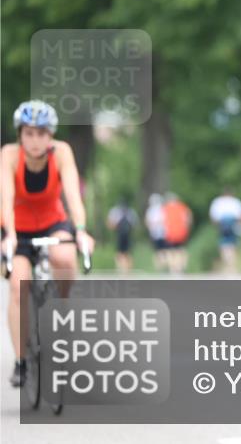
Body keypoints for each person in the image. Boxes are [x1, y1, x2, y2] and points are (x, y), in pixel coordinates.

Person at [0, 100, 95, 387]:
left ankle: (63, 307)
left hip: (54, 221)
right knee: (18, 286)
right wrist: (10, 234)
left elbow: (73, 197)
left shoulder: (62, 153)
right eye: (29, 133)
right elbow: (5, 199)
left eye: (41, 133)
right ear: (20, 134)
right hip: (17, 227)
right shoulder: (9, 155)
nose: (35, 140)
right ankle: (21, 362)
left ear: (50, 135)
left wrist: (80, 230)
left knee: (65, 257)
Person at [209, 188, 241, 273]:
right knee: (233, 244)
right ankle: (232, 266)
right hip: (233, 222)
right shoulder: (236, 201)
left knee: (223, 244)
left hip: (222, 223)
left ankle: (227, 264)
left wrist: (216, 227)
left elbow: (213, 216)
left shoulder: (218, 201)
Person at [161, 192, 192, 274]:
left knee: (170, 251)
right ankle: (181, 267)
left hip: (170, 232)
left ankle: (173, 268)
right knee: (181, 250)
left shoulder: (165, 208)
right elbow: (188, 219)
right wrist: (187, 228)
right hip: (182, 232)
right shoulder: (183, 207)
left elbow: (162, 221)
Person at [106, 196, 139, 273]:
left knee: (119, 253)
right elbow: (135, 224)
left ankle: (121, 270)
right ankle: (128, 272)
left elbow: (110, 224)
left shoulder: (115, 211)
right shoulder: (131, 212)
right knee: (128, 253)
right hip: (128, 235)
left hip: (119, 235)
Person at [145, 193, 167, 271]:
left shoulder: (150, 211)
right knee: (164, 251)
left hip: (155, 234)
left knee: (157, 251)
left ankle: (159, 267)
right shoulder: (163, 209)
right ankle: (164, 266)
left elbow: (147, 222)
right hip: (163, 233)